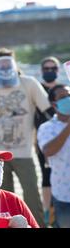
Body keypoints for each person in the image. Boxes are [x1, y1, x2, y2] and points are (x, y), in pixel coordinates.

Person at [0, 47, 53, 227]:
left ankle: (37, 225)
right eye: (1, 64)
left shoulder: (28, 83)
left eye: (8, 63)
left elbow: (47, 111)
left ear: (14, 63)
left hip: (23, 151)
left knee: (31, 194)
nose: (5, 67)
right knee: (5, 198)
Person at [37, 84, 70, 228]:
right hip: (64, 194)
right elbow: (48, 150)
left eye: (69, 95)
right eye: (63, 97)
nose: (68, 99)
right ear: (54, 104)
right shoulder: (47, 128)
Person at [34, 56, 61, 226]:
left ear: (58, 71)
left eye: (53, 68)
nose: (50, 71)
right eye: (46, 69)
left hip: (64, 139)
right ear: (41, 71)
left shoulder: (63, 90)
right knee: (46, 176)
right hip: (42, 140)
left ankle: (60, 209)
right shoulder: (37, 89)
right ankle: (47, 212)